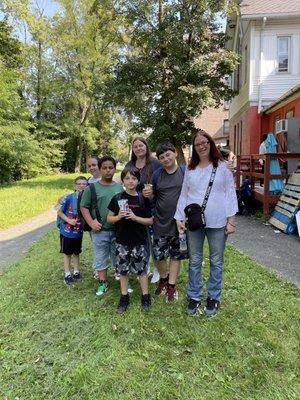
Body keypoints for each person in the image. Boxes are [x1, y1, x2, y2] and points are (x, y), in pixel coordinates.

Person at [175, 130, 238, 317]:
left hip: (218, 221)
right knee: (194, 260)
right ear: (194, 148)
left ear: (211, 144)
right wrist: (179, 217)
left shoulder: (222, 167)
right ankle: (194, 296)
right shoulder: (191, 168)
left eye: (205, 142)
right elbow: (184, 194)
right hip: (194, 222)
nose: (202, 146)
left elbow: (230, 194)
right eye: (198, 144)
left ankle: (213, 297)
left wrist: (231, 221)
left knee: (216, 261)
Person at [143, 142, 188, 303]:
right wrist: (148, 195)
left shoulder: (185, 172)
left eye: (168, 155)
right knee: (159, 255)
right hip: (160, 221)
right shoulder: (157, 175)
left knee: (176, 255)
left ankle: (171, 285)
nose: (165, 159)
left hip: (179, 223)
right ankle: (163, 278)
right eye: (161, 157)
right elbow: (152, 197)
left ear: (175, 153)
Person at [107, 166, 153, 313]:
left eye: (133, 178)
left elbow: (150, 221)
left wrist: (135, 217)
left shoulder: (143, 198)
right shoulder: (117, 198)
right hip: (122, 242)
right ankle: (124, 296)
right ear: (123, 181)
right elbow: (109, 218)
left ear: (138, 180)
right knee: (123, 271)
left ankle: (145, 296)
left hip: (139, 241)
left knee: (142, 271)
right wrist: (119, 216)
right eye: (127, 178)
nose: (130, 181)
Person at [80, 156, 123, 296]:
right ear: (99, 169)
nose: (108, 171)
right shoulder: (91, 188)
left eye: (111, 168)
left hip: (117, 230)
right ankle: (102, 282)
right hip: (99, 230)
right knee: (100, 257)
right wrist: (91, 222)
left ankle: (122, 279)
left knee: (118, 256)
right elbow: (83, 207)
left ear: (115, 169)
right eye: (104, 168)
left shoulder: (119, 188)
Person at [126, 137, 162, 282]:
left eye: (141, 145)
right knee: (142, 239)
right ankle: (145, 267)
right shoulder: (130, 164)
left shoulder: (155, 163)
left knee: (155, 240)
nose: (139, 148)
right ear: (133, 149)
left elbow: (163, 182)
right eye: (135, 146)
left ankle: (158, 269)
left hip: (153, 207)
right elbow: (125, 181)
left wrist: (153, 193)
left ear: (146, 147)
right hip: (136, 208)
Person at [57, 176, 88, 284]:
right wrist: (69, 221)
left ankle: (76, 271)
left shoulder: (86, 199)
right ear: (74, 185)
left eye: (84, 184)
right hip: (66, 232)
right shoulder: (69, 197)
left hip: (78, 232)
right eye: (79, 184)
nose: (81, 186)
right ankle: (67, 273)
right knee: (67, 253)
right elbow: (59, 211)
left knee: (76, 252)